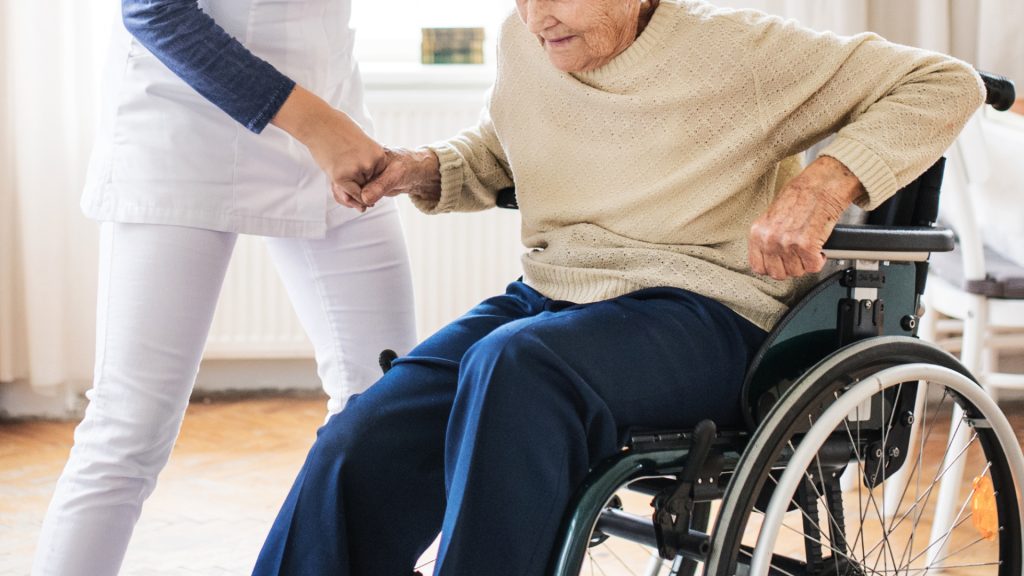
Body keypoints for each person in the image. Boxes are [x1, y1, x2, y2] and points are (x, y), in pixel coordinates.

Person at [252, 0, 985, 574]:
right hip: (556, 301)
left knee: (516, 366)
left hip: (705, 308)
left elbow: (947, 82)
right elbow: (504, 147)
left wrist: (826, 184)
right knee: (363, 437)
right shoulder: (529, 42)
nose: (538, 16)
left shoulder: (737, 51)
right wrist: (420, 168)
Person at [31, 1, 417, 575]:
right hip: (183, 121)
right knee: (129, 430)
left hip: (327, 102)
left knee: (386, 408)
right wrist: (319, 126)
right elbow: (156, 11)